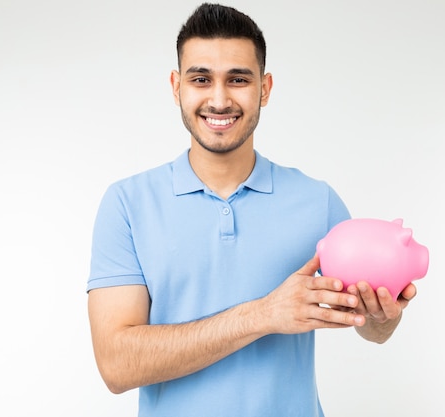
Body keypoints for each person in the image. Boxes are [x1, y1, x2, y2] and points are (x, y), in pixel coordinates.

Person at [87, 3, 417, 416]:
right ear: (177, 88)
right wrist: (263, 314)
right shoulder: (127, 204)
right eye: (201, 79)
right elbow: (117, 365)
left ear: (265, 88)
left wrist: (382, 316)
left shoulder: (317, 201)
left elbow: (372, 329)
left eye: (238, 79)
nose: (220, 99)